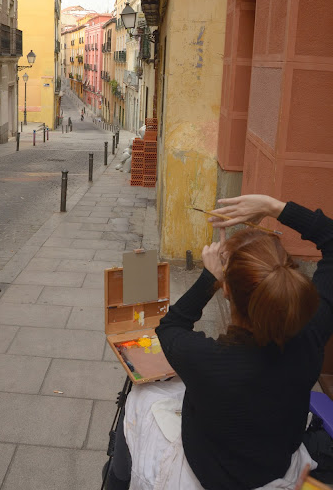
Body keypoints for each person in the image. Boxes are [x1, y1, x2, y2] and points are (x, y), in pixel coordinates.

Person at [104, 194, 333, 490]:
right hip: (276, 469)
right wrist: (275, 208)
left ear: (226, 291)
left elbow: (170, 327)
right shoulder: (311, 336)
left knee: (139, 395)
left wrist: (208, 277)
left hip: (204, 475)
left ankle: (116, 481)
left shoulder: (208, 360)